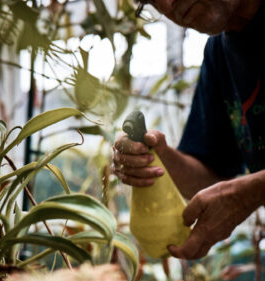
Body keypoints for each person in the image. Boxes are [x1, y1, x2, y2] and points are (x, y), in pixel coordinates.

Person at [112, 0, 265, 260]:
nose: (168, 5)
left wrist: (249, 193)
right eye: (150, 1)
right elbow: (209, 175)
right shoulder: (220, 52)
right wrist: (156, 157)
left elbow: (243, 193)